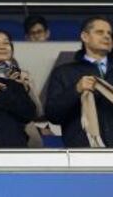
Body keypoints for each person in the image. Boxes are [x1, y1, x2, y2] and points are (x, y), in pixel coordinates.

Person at [45, 16, 113, 147]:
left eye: (109, 33)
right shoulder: (63, 72)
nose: (107, 36)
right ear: (85, 37)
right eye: (100, 32)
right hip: (82, 151)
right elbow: (53, 115)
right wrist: (75, 90)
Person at [0, 29, 44, 147]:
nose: (2, 47)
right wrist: (10, 87)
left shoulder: (23, 75)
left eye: (6, 43)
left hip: (25, 139)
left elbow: (38, 112)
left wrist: (26, 88)